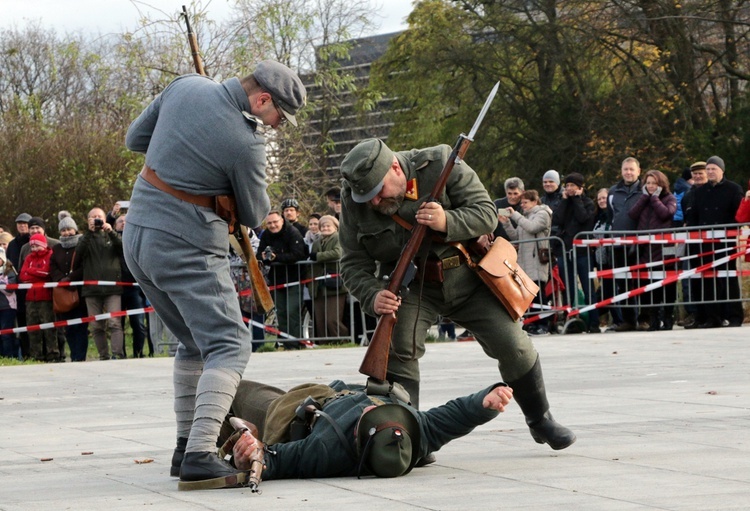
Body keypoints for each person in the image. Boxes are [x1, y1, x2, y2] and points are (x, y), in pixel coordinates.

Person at [124, 59, 306, 487]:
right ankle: (202, 453)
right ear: (262, 100)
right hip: (185, 244)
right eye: (279, 115)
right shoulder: (245, 143)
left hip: (138, 235)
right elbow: (256, 212)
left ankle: (185, 445)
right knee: (229, 344)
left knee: (193, 342)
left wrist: (184, 155)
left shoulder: (186, 86)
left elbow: (136, 139)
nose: (278, 125)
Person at [338, 138, 575, 451]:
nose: (373, 202)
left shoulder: (438, 164)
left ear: (395, 167)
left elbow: (487, 214)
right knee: (400, 353)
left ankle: (540, 419)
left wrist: (446, 220)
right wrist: (373, 295)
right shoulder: (353, 199)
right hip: (410, 288)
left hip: (467, 278)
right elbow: (353, 263)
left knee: (514, 345)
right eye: (366, 196)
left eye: (378, 191)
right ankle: (407, 439)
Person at [216, 379, 514, 482]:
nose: (374, 409)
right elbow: (458, 414)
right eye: (387, 413)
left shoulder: (326, 450)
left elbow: (277, 460)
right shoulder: (418, 430)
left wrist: (248, 457)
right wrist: (487, 401)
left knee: (231, 390)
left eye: (373, 419)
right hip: (326, 391)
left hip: (285, 411)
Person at [684, 156, 744, 328]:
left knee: (729, 279)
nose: (710, 172)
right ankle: (712, 317)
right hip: (705, 243)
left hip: (725, 242)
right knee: (708, 281)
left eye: (713, 169)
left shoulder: (733, 189)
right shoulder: (699, 192)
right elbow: (694, 216)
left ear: (722, 170)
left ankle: (734, 316)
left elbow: (738, 215)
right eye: (708, 169)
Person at [627, 170, 677, 330]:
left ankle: (668, 319)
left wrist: (655, 197)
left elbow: (666, 214)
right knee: (649, 286)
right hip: (645, 251)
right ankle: (653, 320)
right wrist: (644, 198)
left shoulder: (669, 198)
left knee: (668, 287)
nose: (650, 186)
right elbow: (632, 214)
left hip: (664, 250)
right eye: (648, 183)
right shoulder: (643, 200)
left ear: (661, 184)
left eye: (654, 183)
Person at [74, 207, 125, 360]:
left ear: (105, 219)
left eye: (99, 216)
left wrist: (111, 231)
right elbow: (79, 253)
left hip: (112, 288)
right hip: (91, 289)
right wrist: (89, 232)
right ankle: (103, 355)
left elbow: (123, 249)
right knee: (96, 326)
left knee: (115, 323)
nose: (97, 219)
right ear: (88, 220)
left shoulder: (111, 235)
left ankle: (118, 355)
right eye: (93, 217)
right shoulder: (84, 238)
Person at [551, 173, 599, 332]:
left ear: (580, 187)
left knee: (587, 288)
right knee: (569, 289)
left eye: (572, 185)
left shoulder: (587, 203)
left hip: (583, 252)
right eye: (567, 185)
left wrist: (577, 200)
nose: (569, 188)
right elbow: (557, 219)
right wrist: (565, 201)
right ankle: (572, 319)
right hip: (565, 249)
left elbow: (583, 218)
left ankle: (594, 322)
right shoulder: (563, 201)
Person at [501, 190, 553, 335]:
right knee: (528, 294)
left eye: (525, 202)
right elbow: (516, 235)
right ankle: (532, 323)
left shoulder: (543, 214)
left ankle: (543, 324)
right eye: (521, 203)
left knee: (539, 294)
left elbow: (533, 227)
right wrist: (506, 223)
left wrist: (515, 215)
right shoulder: (525, 216)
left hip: (537, 261)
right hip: (524, 261)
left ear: (534, 201)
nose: (522, 205)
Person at [257, 210, 308, 348]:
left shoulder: (293, 232)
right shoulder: (266, 235)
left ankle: (296, 343)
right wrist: (263, 257)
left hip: (294, 279)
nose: (273, 225)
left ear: (282, 220)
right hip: (276, 281)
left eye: (275, 222)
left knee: (292, 311)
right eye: (269, 223)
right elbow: (259, 254)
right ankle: (286, 343)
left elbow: (298, 254)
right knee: (282, 313)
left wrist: (277, 257)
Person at [606, 157, 643, 332]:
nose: (628, 172)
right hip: (618, 245)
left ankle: (644, 318)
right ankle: (628, 320)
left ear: (638, 171)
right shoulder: (613, 192)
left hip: (640, 245)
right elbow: (610, 216)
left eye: (631, 169)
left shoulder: (644, 190)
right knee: (622, 283)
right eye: (625, 169)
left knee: (642, 281)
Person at [49, 212, 89, 362]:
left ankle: (80, 356)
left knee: (81, 327)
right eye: (63, 230)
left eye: (69, 229)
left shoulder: (82, 245)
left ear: (75, 229)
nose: (66, 232)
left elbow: (85, 266)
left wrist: (71, 278)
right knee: (69, 328)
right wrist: (61, 279)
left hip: (80, 292)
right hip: (63, 293)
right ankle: (74, 355)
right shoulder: (57, 249)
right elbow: (52, 266)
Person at [309, 215, 349, 342]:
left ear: (335, 227)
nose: (325, 228)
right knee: (320, 318)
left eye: (328, 226)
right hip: (318, 285)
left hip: (335, 284)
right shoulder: (317, 241)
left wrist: (318, 256)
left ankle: (342, 340)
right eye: (323, 226)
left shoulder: (338, 238)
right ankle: (323, 342)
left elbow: (338, 253)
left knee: (332, 318)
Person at [115, 214, 150, 358]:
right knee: (118, 325)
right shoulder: (111, 240)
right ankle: (120, 353)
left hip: (135, 288)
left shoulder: (137, 237)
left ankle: (138, 352)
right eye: (120, 221)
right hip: (117, 289)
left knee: (138, 324)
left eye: (126, 220)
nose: (123, 223)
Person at [679, 161, 708, 328]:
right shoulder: (688, 195)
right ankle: (698, 315)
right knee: (695, 280)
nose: (697, 176)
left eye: (700, 173)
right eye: (694, 174)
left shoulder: (710, 192)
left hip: (711, 243)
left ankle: (717, 314)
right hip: (693, 243)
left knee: (714, 280)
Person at [19, 234, 57, 362]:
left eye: (37, 246)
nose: (34, 249)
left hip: (45, 297)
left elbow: (47, 273)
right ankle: (36, 355)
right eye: (32, 246)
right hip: (30, 298)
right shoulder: (28, 257)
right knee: (33, 328)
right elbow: (22, 276)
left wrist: (31, 271)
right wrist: (34, 273)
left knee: (49, 328)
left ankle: (53, 354)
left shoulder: (50, 255)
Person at [592, 188, 622, 329]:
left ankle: (620, 320)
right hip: (601, 259)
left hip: (614, 258)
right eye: (599, 199)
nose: (602, 201)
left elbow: (604, 234)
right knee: (607, 290)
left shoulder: (615, 216)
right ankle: (616, 319)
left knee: (614, 290)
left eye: (604, 198)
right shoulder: (597, 217)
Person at [5, 213, 31, 358]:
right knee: (22, 323)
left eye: (25, 223)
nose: (22, 225)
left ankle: (40, 352)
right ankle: (26, 353)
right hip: (18, 291)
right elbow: (8, 265)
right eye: (19, 223)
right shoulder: (13, 244)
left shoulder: (34, 242)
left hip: (34, 288)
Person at [0, 247, 19, 359]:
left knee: (6, 334)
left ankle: (9, 356)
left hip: (7, 307)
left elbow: (9, 289)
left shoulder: (10, 271)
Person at [493, 177, 524, 241]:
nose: (512, 197)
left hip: (520, 243)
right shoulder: (497, 204)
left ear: (522, 192)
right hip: (499, 243)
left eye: (515, 193)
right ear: (505, 192)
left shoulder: (525, 206)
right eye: (509, 193)